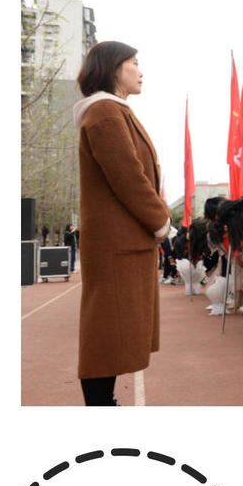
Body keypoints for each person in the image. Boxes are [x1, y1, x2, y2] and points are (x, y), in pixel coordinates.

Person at [74, 40, 170, 406]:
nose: (141, 71)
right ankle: (100, 406)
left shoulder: (112, 111)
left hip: (122, 241)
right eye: (134, 63)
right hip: (118, 243)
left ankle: (103, 403)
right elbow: (129, 177)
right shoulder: (105, 112)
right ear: (114, 67)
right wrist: (161, 221)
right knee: (106, 333)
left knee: (112, 333)